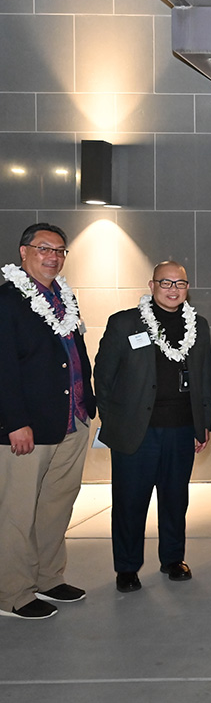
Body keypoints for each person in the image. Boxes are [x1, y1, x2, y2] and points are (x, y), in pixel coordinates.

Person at [94, 261, 211, 593]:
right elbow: (103, 376)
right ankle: (127, 567)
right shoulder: (124, 323)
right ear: (151, 285)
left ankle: (173, 559)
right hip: (137, 432)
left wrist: (202, 425)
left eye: (180, 283)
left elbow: (205, 378)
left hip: (181, 429)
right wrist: (114, 420)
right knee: (130, 502)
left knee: (176, 500)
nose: (173, 289)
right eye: (166, 283)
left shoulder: (198, 326)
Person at [0, 224, 95, 620]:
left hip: (71, 419)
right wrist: (14, 422)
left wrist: (87, 404)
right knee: (17, 513)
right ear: (24, 252)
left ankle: (48, 577)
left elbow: (75, 352)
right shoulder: (8, 300)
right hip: (28, 427)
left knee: (56, 505)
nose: (52, 257)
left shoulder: (62, 296)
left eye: (59, 250)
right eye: (44, 249)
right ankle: (13, 593)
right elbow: (3, 366)